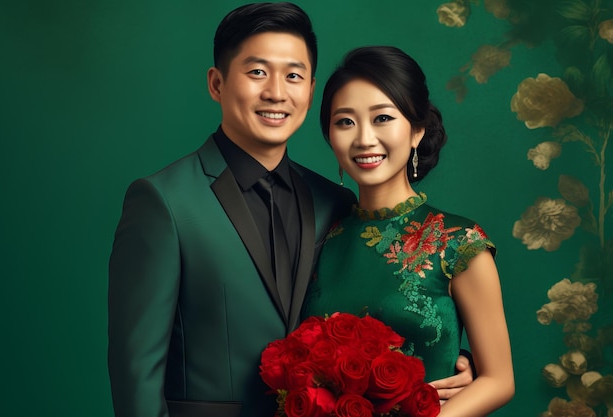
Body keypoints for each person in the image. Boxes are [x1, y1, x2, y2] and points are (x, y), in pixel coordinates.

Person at [108, 4, 475, 417]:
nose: (277, 93)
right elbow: (135, 371)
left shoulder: (334, 204)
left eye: (294, 75)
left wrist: (452, 361)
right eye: (257, 72)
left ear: (311, 90)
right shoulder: (164, 202)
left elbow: (376, 301)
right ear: (216, 83)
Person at [302, 46, 514, 416]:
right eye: (345, 122)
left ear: (417, 130)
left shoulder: (457, 242)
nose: (364, 139)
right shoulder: (321, 236)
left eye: (382, 118)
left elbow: (498, 380)